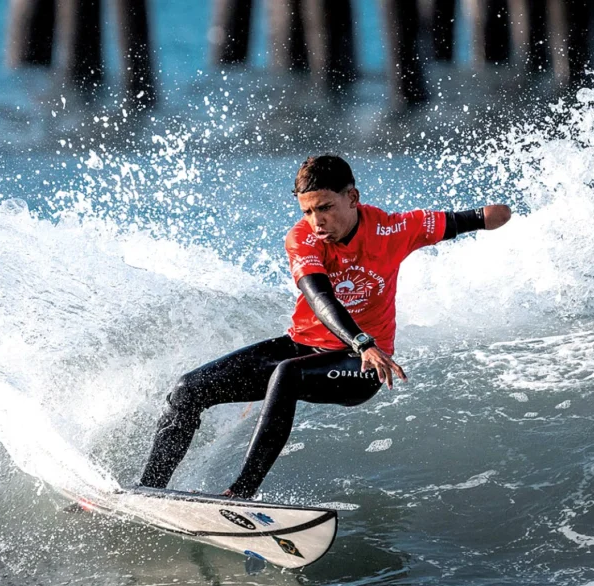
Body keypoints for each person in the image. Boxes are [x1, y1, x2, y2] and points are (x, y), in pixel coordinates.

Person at [139, 154, 511, 499]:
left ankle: (240, 494)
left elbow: (480, 217)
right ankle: (148, 492)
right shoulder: (302, 238)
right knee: (188, 389)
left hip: (363, 365)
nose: (317, 222)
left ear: (353, 197)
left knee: (287, 375)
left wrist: (495, 216)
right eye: (308, 211)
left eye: (325, 208)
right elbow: (320, 296)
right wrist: (361, 338)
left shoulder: (396, 228)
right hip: (309, 347)